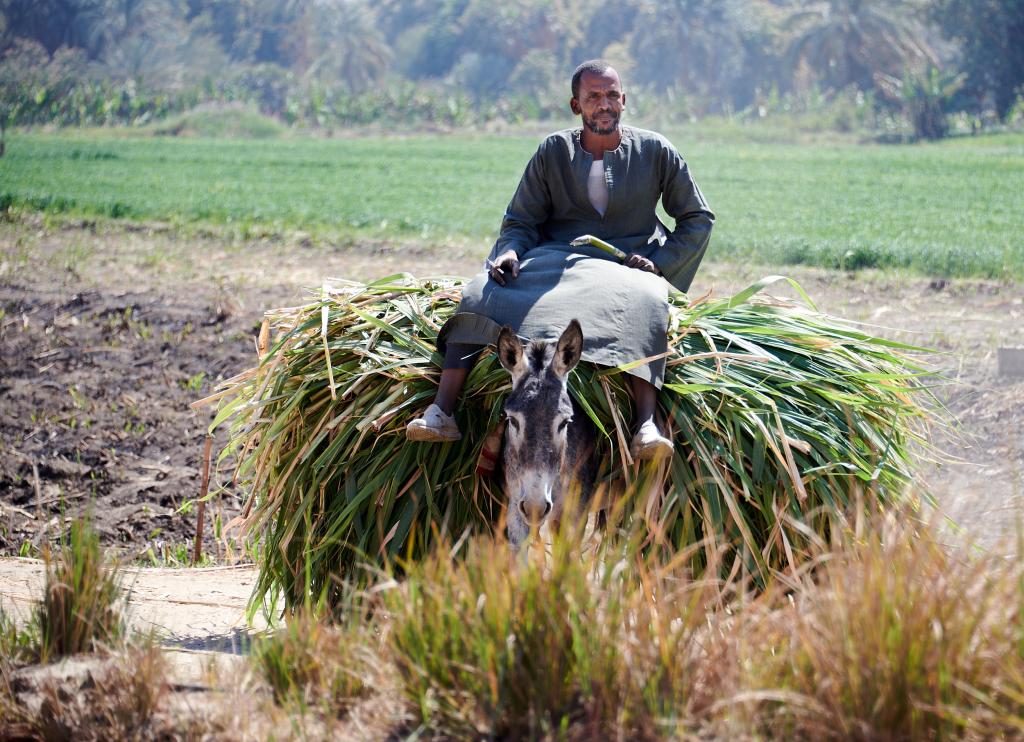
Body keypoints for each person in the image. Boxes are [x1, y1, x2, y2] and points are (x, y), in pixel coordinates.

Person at [406, 59, 714, 459]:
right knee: (480, 293)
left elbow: (697, 218)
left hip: (624, 268)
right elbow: (520, 221)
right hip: (556, 263)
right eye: (593, 97)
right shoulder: (553, 151)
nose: (604, 104)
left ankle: (645, 426)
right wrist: (510, 253)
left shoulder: (656, 150)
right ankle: (442, 411)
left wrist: (658, 263)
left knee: (647, 301)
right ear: (576, 105)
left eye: (611, 95)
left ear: (624, 99)